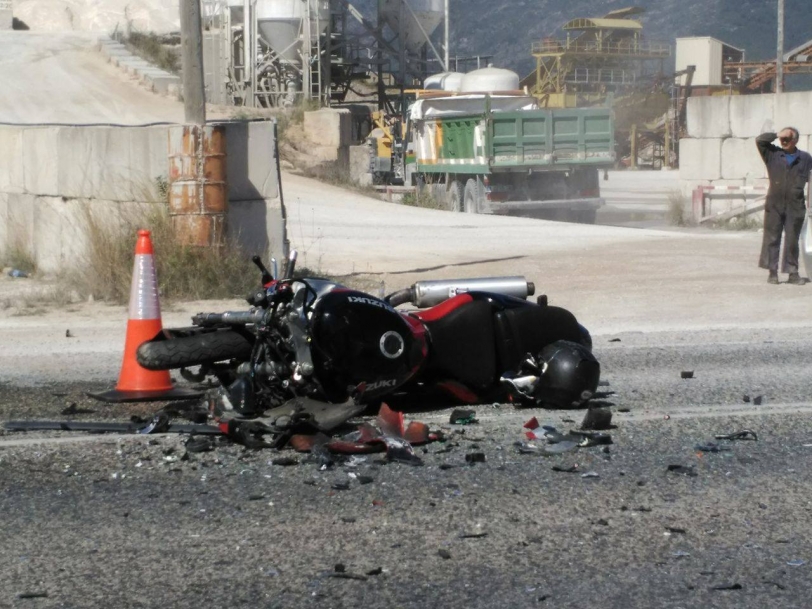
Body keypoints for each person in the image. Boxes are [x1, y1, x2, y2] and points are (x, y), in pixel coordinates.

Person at [756, 127, 812, 284]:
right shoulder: (772, 154)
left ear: (796, 140)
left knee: (792, 240)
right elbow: (760, 140)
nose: (784, 141)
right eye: (782, 139)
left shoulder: (806, 158)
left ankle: (792, 273)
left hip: (795, 206)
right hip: (774, 204)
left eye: (787, 138)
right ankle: (772, 272)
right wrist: (776, 134)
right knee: (771, 238)